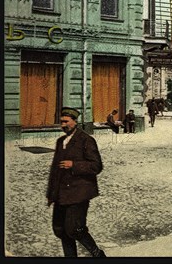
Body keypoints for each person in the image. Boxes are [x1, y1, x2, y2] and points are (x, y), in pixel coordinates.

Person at [46, 107, 106, 257]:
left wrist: (74, 165)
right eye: (61, 122)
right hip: (61, 193)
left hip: (79, 192)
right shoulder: (60, 141)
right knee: (59, 229)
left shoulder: (86, 140)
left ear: (75, 121)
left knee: (74, 229)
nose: (63, 125)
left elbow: (96, 166)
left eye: (66, 122)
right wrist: (51, 193)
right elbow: (55, 170)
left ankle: (98, 254)